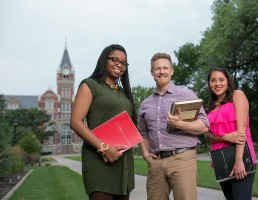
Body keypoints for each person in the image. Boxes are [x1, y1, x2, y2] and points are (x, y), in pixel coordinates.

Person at [138, 52, 209, 200]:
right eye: (157, 69)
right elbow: (143, 133)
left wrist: (179, 124)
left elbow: (204, 126)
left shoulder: (186, 95)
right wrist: (145, 153)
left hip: (182, 159)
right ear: (152, 72)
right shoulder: (145, 104)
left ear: (172, 71)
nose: (162, 71)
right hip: (156, 163)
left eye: (165, 68)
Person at [70, 44, 137, 200]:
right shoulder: (90, 85)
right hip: (99, 162)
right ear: (104, 60)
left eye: (123, 63)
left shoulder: (123, 93)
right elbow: (75, 122)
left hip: (123, 165)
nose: (119, 65)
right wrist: (104, 148)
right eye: (115, 60)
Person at [204, 66, 257, 200]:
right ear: (209, 83)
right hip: (221, 161)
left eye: (221, 79)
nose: (217, 84)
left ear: (228, 81)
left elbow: (241, 129)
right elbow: (206, 135)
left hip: (240, 156)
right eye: (213, 80)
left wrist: (239, 161)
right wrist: (225, 137)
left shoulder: (237, 95)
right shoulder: (210, 106)